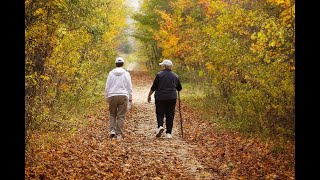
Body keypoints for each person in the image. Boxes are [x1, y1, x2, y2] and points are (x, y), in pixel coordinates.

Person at [147, 59, 182, 139]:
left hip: (160, 97)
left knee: (160, 113)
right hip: (171, 98)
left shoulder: (159, 75)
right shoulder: (175, 76)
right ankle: (169, 133)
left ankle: (160, 126)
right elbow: (179, 88)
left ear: (164, 66)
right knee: (170, 114)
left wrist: (149, 95)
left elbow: (154, 87)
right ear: (170, 67)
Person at [105, 57, 132, 140]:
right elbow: (129, 86)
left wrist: (106, 96)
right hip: (123, 95)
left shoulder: (111, 73)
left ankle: (112, 130)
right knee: (121, 116)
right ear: (123, 64)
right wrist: (130, 97)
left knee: (112, 114)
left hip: (112, 95)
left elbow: (107, 86)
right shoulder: (126, 74)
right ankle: (119, 134)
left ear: (115, 64)